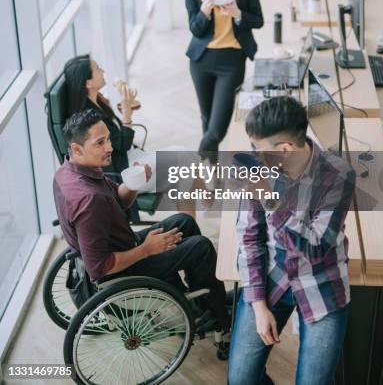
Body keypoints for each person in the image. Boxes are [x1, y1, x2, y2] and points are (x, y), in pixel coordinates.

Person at [53, 108, 228, 329]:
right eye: (100, 143)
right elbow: (100, 268)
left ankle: (205, 300)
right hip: (123, 269)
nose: (109, 147)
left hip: (124, 243)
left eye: (108, 139)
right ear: (77, 148)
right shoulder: (88, 201)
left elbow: (117, 200)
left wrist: (134, 185)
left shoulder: (68, 171)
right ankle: (217, 316)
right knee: (201, 247)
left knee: (185, 222)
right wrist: (147, 249)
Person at [228, 96, 355, 385]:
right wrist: (258, 305)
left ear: (284, 150)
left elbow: (316, 249)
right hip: (272, 273)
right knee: (240, 380)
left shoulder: (337, 175)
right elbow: (249, 237)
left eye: (257, 150)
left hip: (322, 280)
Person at [185, 0, 263, 162]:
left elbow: (258, 19)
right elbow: (195, 28)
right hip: (201, 61)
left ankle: (198, 167)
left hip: (231, 62)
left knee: (217, 130)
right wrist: (204, 12)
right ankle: (212, 169)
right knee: (207, 123)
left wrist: (237, 14)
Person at [64, 54, 137, 176]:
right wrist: (126, 114)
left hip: (131, 157)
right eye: (98, 69)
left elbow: (116, 137)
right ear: (88, 84)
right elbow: (124, 145)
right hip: (126, 169)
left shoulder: (98, 101)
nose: (102, 71)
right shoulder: (91, 119)